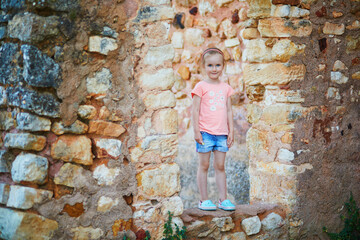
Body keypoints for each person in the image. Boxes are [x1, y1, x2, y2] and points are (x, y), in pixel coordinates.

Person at [191, 47, 236, 211]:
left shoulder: (226, 88)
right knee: (203, 166)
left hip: (222, 134)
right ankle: (203, 200)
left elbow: (229, 110)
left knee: (220, 166)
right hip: (205, 133)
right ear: (204, 66)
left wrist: (231, 131)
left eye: (217, 65)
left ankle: (223, 199)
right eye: (210, 65)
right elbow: (195, 110)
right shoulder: (200, 86)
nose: (214, 69)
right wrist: (196, 131)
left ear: (222, 66)